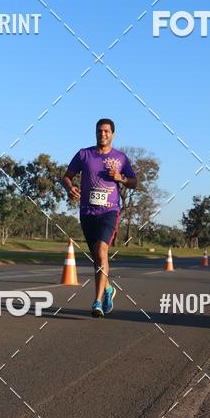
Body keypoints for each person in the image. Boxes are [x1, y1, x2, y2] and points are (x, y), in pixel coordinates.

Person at [62, 119, 137, 317]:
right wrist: (70, 187)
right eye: (99, 131)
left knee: (101, 251)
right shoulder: (84, 154)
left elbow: (134, 182)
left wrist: (121, 178)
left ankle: (97, 301)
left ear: (113, 134)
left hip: (109, 212)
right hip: (87, 212)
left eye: (106, 131)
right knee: (96, 257)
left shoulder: (120, 158)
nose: (102, 134)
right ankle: (109, 289)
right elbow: (66, 176)